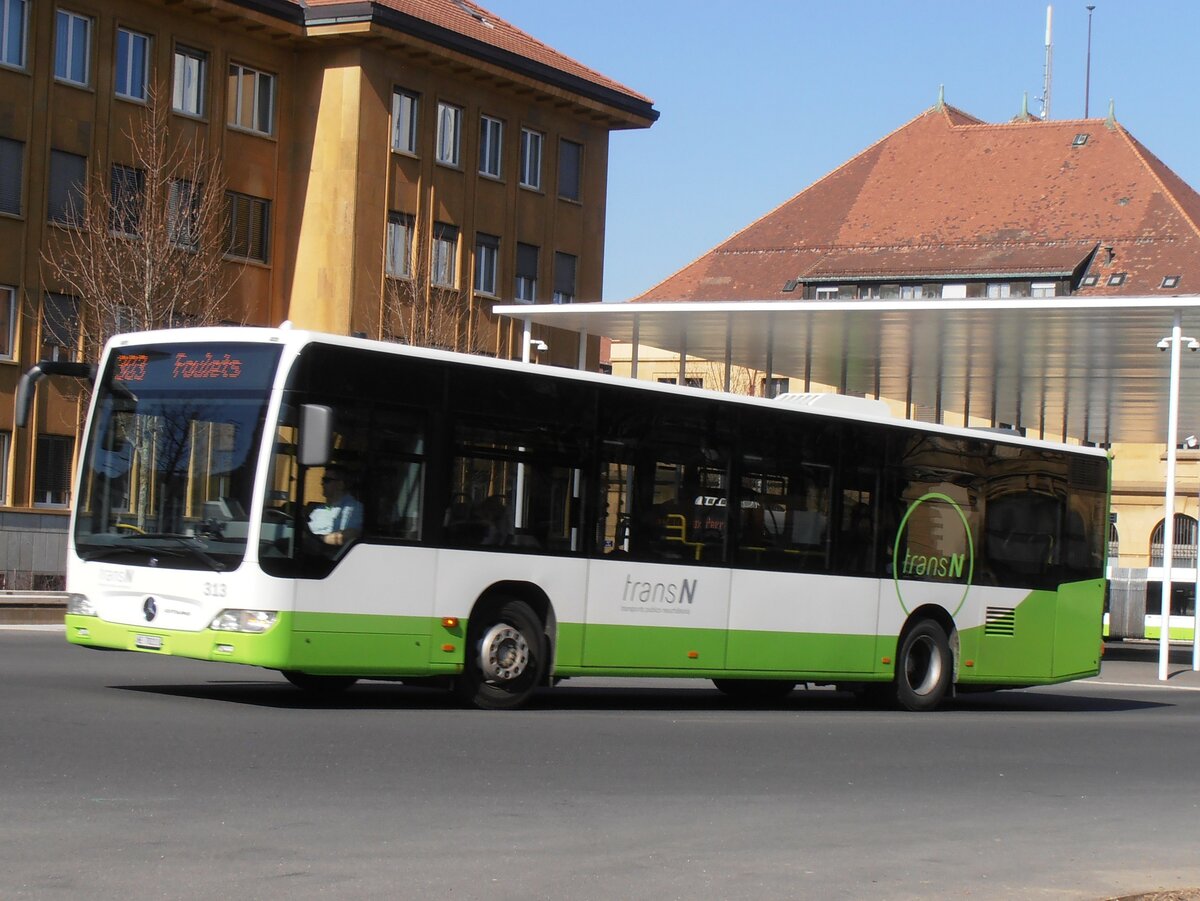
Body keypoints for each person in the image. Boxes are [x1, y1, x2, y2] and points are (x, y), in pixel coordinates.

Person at [308, 465, 363, 548]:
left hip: (330, 554)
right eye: (322, 480)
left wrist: (319, 539)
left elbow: (349, 535)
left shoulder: (354, 508)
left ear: (340, 484)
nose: (322, 484)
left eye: (327, 480)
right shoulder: (319, 509)